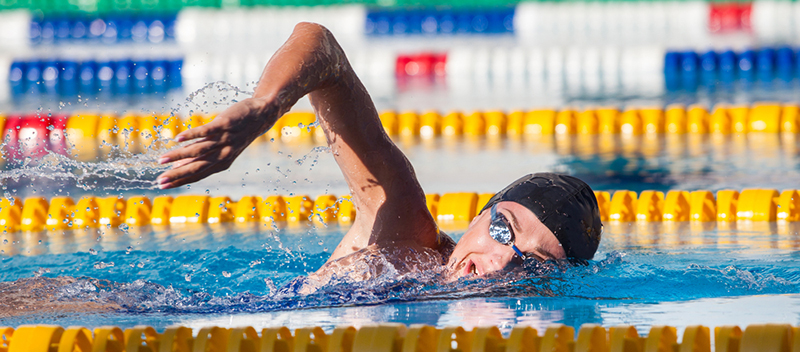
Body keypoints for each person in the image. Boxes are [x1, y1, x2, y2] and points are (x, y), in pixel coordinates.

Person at [156, 23, 602, 290]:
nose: (504, 260)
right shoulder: (404, 232)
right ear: (478, 218)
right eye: (505, 229)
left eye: (535, 264)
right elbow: (321, 46)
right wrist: (266, 106)